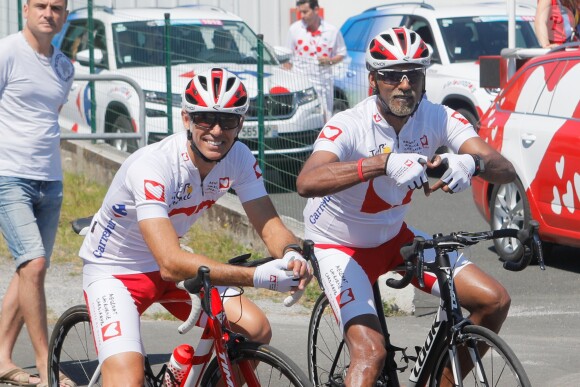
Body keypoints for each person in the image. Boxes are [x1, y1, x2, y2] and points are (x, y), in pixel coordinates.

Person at [296, 27, 516, 387]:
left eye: (413, 73)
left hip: (395, 238)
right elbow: (306, 181)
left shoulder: (438, 117)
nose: (404, 83)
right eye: (391, 75)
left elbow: (504, 168)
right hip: (338, 246)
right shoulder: (350, 124)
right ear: (373, 80)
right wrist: (382, 163)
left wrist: (472, 164)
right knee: (370, 354)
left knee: (493, 300)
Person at [78, 67, 311, 386]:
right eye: (205, 118)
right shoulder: (154, 166)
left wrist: (292, 254)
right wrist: (257, 276)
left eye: (228, 120)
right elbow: (171, 263)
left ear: (240, 123)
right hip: (116, 271)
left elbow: (269, 224)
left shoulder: (239, 157)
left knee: (255, 330)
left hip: (172, 267)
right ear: (187, 119)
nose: (217, 130)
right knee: (127, 380)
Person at [0, 1, 74, 386]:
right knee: (34, 266)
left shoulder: (64, 66)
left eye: (57, 7)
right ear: (26, 9)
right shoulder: (8, 51)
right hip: (9, 176)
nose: (49, 13)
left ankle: (1, 358)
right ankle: (47, 365)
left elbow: (50, 114)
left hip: (51, 180)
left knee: (27, 271)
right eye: (41, 5)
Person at [284, 0, 346, 121]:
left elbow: (341, 53)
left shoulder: (331, 31)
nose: (302, 16)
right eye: (300, 12)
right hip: (301, 84)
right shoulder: (294, 29)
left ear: (316, 9)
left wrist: (330, 60)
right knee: (301, 120)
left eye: (305, 12)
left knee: (325, 118)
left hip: (324, 83)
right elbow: (287, 56)